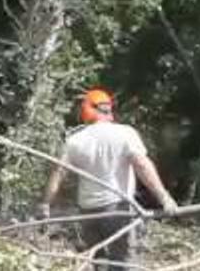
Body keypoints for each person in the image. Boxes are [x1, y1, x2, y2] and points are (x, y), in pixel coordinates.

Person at [38, 86, 178, 270]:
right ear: (109, 109)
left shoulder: (75, 140)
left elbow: (59, 172)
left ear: (86, 110)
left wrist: (45, 204)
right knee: (122, 263)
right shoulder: (125, 133)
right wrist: (164, 198)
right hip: (118, 209)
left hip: (88, 211)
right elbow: (142, 166)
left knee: (98, 262)